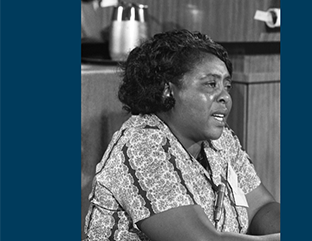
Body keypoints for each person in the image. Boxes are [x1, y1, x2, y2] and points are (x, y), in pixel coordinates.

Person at [83, 29, 280, 241]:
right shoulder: (141, 146)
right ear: (168, 90)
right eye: (211, 84)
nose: (225, 97)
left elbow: (261, 208)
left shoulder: (223, 140)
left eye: (227, 86)